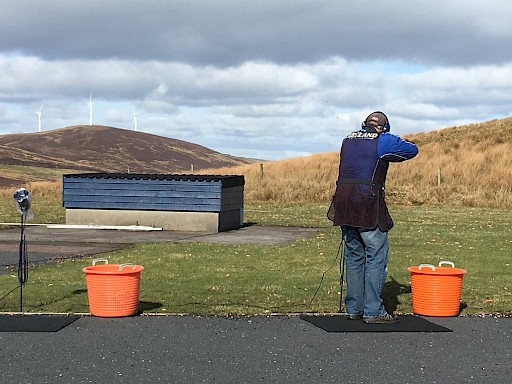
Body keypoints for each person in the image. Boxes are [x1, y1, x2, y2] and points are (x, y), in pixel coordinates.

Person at [331, 111, 418, 324]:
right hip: (367, 202)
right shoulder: (383, 140)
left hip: (343, 203)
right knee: (376, 256)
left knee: (353, 256)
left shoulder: (348, 139)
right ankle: (373, 311)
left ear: (364, 124)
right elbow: (411, 150)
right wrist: (392, 136)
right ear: (383, 127)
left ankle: (354, 308)